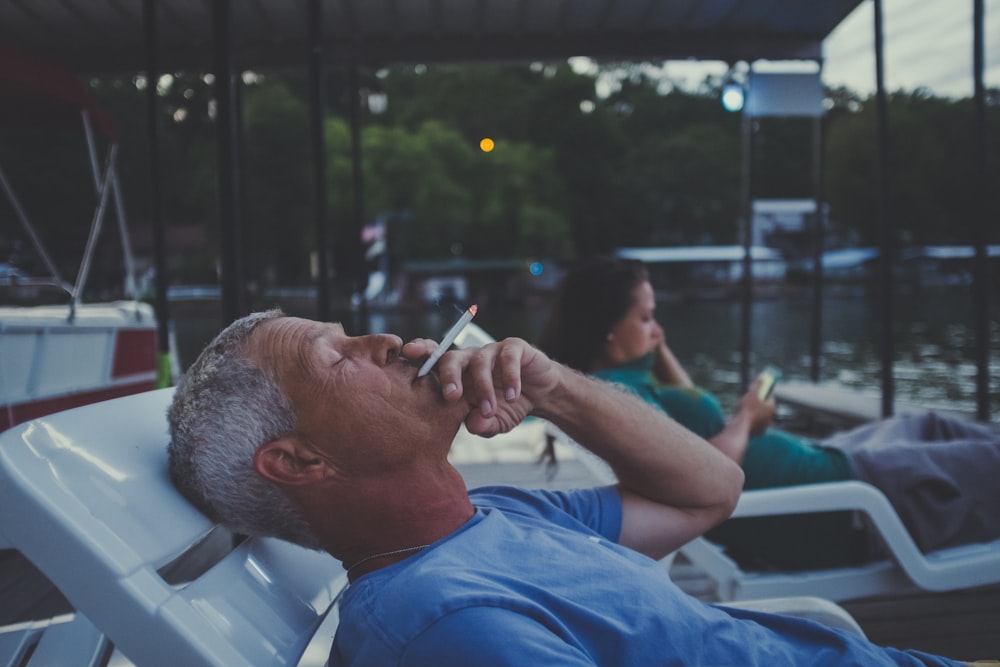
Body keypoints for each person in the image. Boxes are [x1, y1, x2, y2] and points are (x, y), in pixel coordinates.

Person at [167, 309, 977, 666]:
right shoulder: (445, 623)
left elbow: (711, 490)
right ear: (303, 461)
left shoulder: (491, 515)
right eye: (339, 356)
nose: (384, 339)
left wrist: (552, 386)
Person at [538, 255, 1000, 571]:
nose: (659, 330)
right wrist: (747, 417)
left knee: (929, 424)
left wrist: (650, 340)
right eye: (645, 318)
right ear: (606, 331)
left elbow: (688, 399)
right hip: (844, 502)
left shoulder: (616, 385)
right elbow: (706, 472)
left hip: (829, 464)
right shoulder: (622, 398)